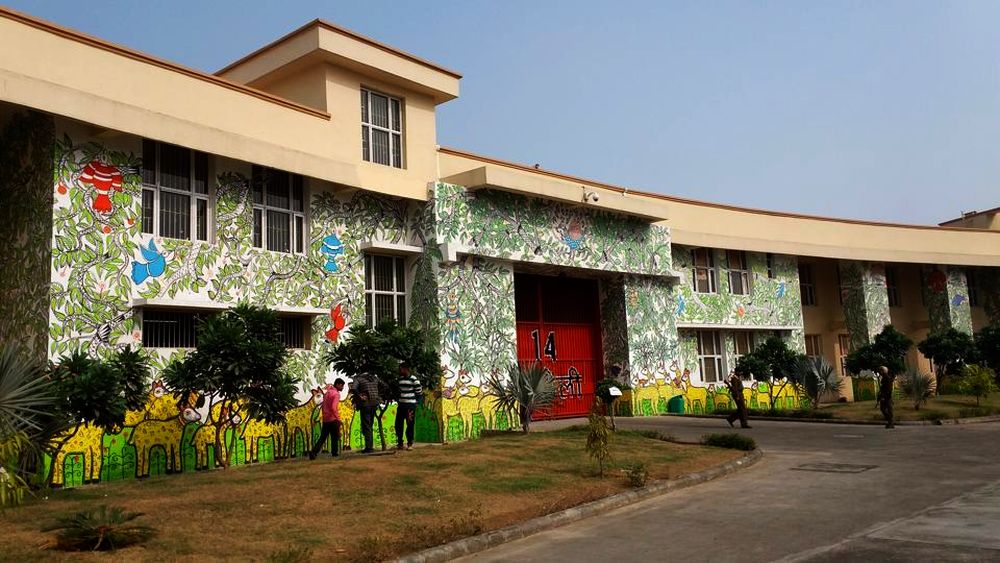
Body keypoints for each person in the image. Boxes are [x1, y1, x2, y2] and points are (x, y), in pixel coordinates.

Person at [309, 378, 345, 460]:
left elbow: (324, 405)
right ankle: (334, 453)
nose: (342, 388)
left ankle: (314, 452)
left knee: (322, 437)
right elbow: (333, 407)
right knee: (334, 437)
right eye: (342, 386)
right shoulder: (336, 394)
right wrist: (338, 418)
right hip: (333, 419)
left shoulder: (327, 393)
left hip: (326, 419)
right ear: (338, 384)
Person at [395, 362, 422, 451]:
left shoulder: (414, 380)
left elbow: (419, 393)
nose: (400, 370)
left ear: (406, 369)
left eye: (401, 368)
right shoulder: (400, 379)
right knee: (398, 424)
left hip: (410, 406)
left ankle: (410, 443)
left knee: (410, 424)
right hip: (401, 405)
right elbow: (398, 391)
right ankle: (400, 443)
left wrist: (415, 403)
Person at [354, 371, 381, 453]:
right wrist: (377, 395)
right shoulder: (375, 378)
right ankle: (369, 446)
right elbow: (384, 385)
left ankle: (369, 448)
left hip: (365, 405)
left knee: (367, 426)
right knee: (370, 425)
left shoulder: (358, 378)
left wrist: (359, 396)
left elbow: (354, 388)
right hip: (374, 404)